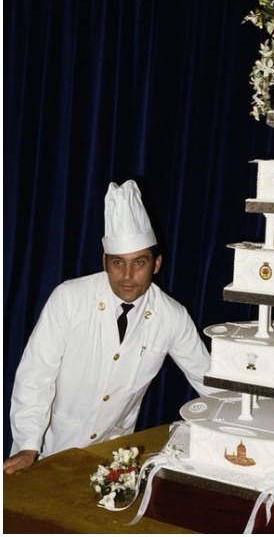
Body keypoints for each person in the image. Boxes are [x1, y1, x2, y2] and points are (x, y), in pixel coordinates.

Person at [4, 180, 216, 474]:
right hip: (48, 449)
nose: (127, 276)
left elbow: (209, 380)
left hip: (113, 458)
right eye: (118, 263)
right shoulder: (69, 297)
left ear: (156, 264)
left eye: (139, 263)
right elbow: (35, 375)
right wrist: (29, 444)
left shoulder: (172, 316)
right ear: (105, 262)